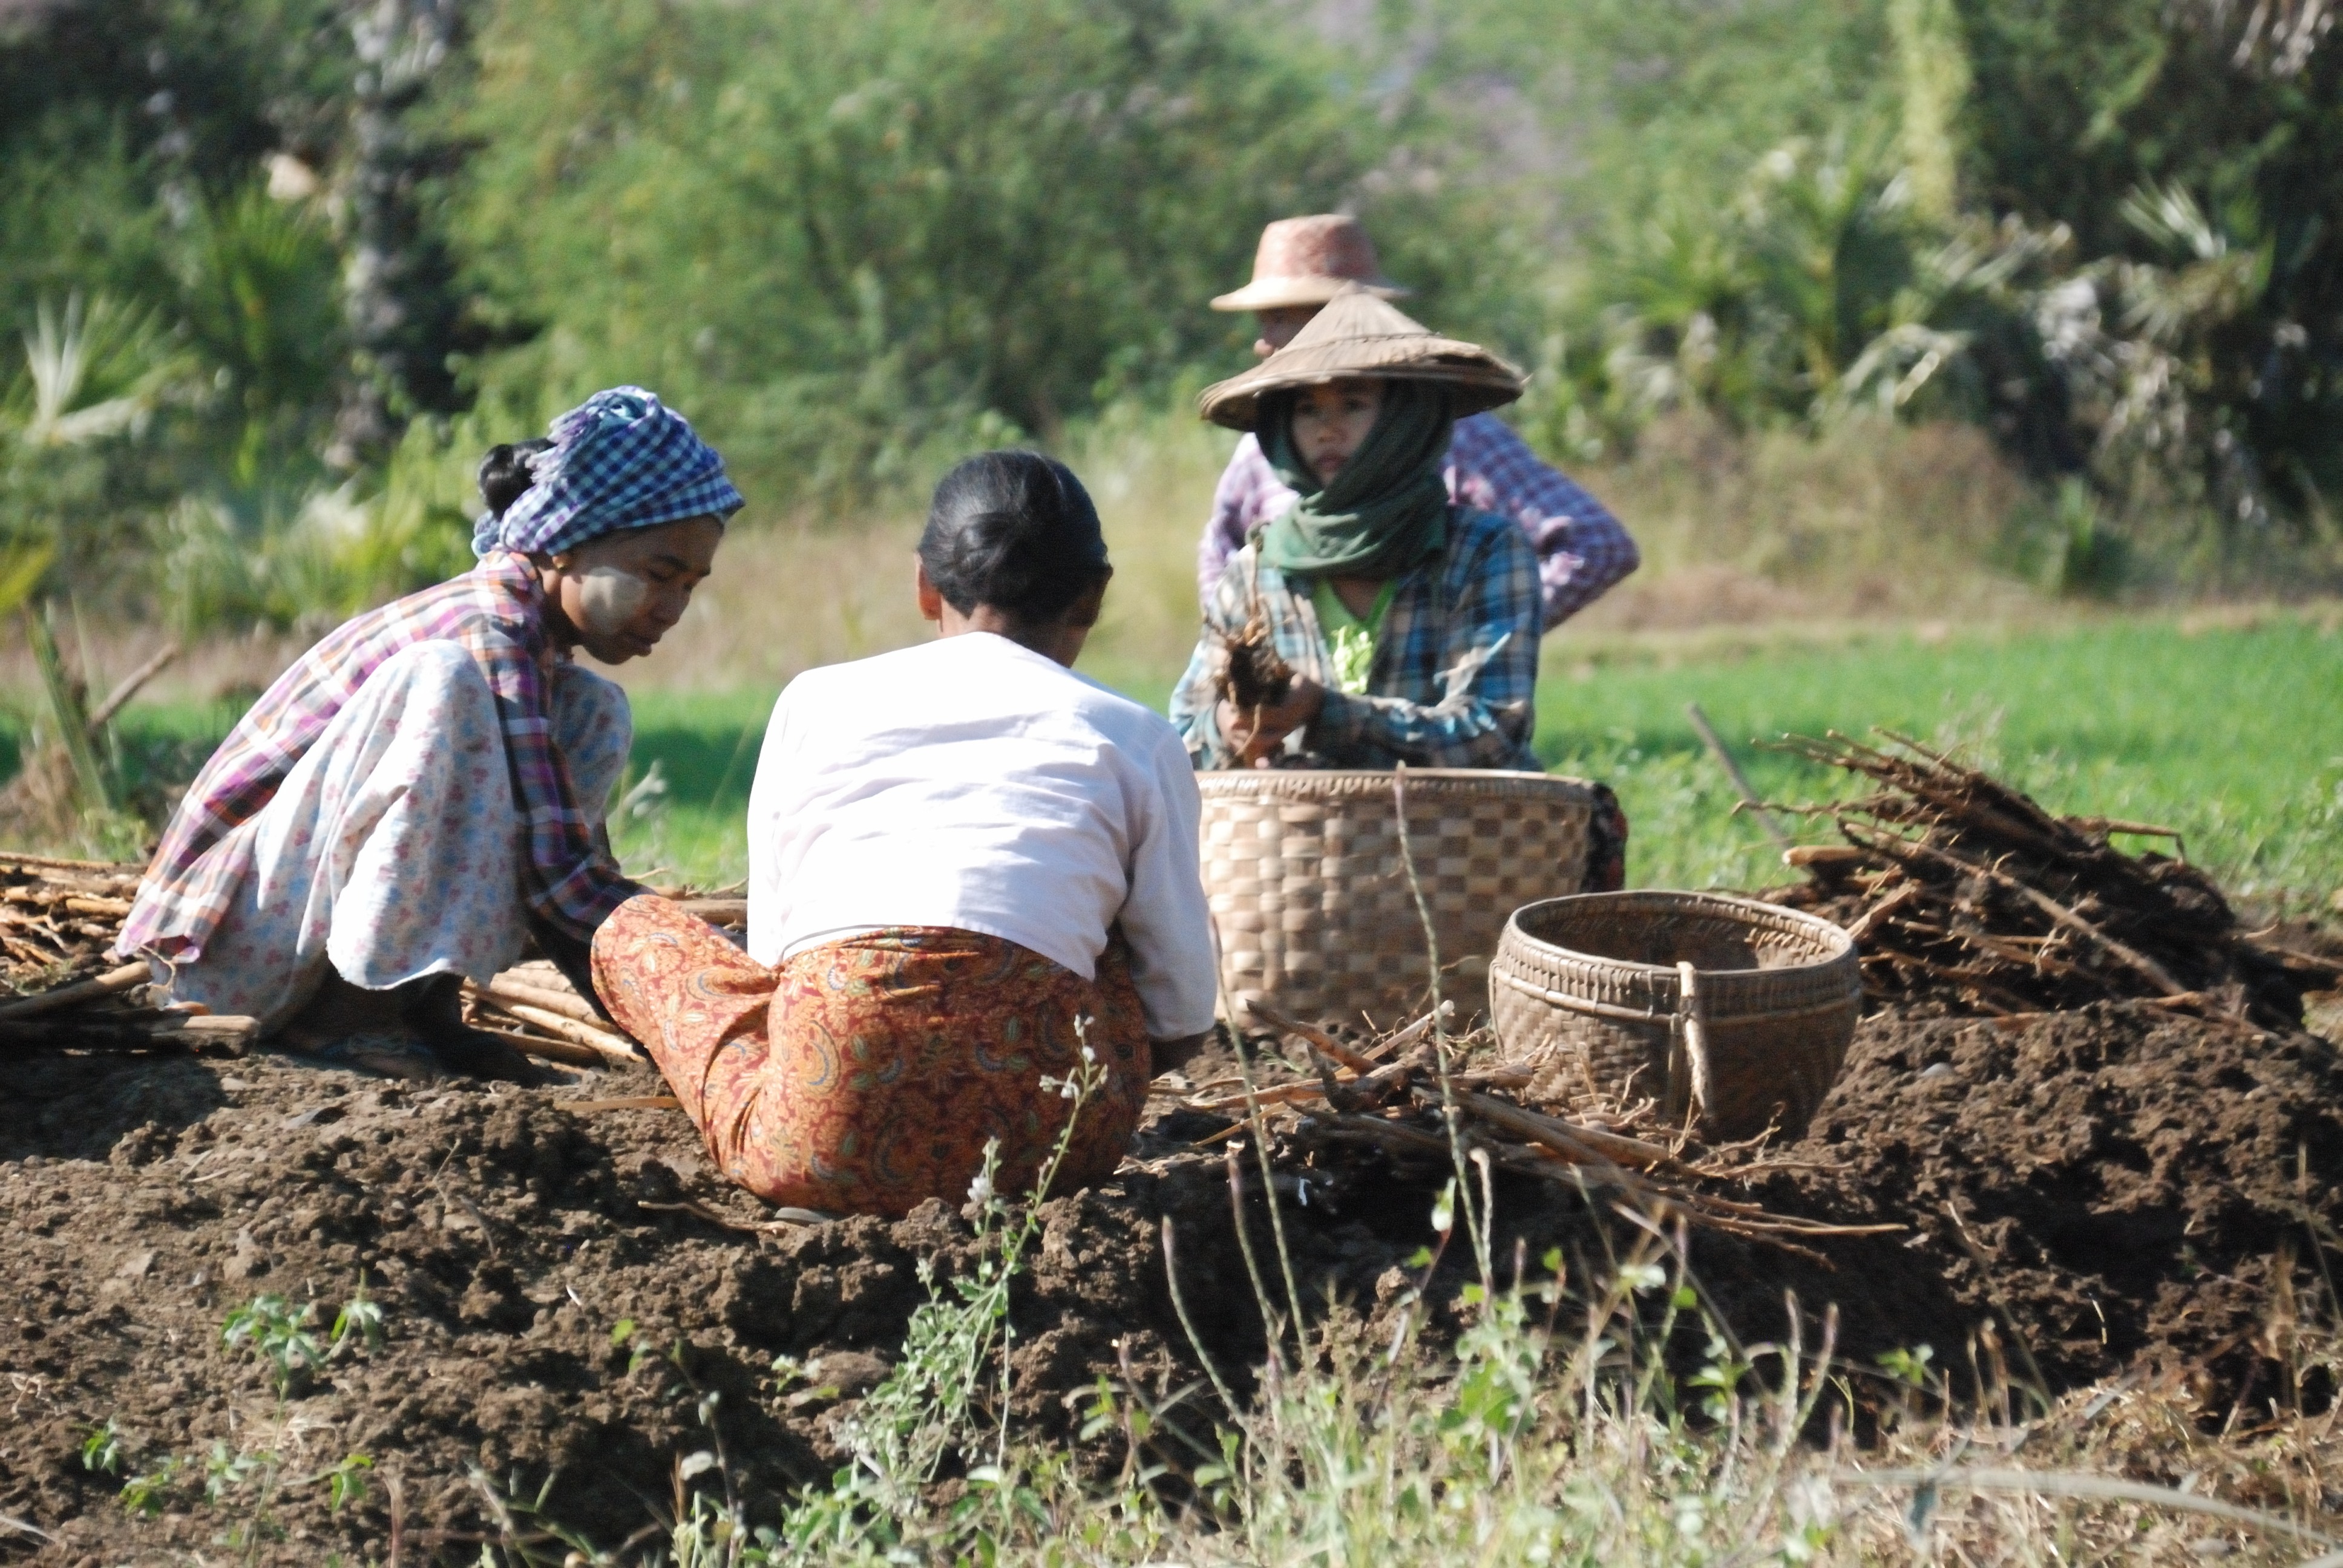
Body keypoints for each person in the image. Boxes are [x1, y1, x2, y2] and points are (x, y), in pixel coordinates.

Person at [591, 451, 1216, 1220]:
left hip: (817, 1137)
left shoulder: (813, 702)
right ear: (1092, 596)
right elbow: (1181, 1013)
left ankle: (820, 1162)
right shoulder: (1136, 736)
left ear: (925, 585)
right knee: (1111, 930)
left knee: (631, 933)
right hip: (1050, 1155)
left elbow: (774, 963)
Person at [115, 387, 741, 1079]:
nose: (673, 608)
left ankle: (419, 1006)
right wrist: (692, 979)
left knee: (596, 708)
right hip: (219, 963)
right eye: (658, 575)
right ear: (565, 544)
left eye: (691, 585)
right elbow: (556, 871)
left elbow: (560, 872)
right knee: (443, 681)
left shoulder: (542, 665)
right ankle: (353, 1016)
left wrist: (674, 989)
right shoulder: (480, 633)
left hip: (296, 941)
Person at [1171, 286, 1547, 776]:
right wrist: (1227, 727)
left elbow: (1492, 734)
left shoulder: (1483, 551)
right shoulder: (1257, 569)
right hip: (1293, 843)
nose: (1328, 429)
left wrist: (1326, 712)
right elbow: (1180, 738)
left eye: (1353, 404)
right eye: (1307, 410)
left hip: (1452, 840)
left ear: (1407, 419)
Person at [1199, 214, 1638, 630]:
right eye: (1262, 321)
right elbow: (1219, 558)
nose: (1262, 342)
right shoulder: (1263, 447)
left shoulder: (1452, 435)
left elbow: (1595, 545)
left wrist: (1488, 631)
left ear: (1337, 317)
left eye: (1278, 319)